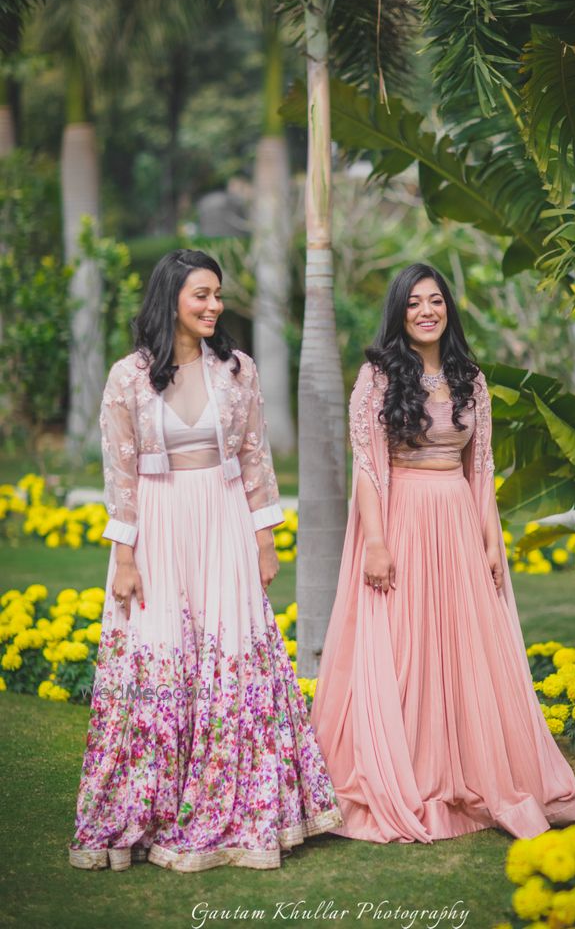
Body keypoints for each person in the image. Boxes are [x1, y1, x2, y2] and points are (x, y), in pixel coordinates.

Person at [68, 249, 341, 873]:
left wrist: (265, 539)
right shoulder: (128, 377)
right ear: (172, 300)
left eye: (217, 294)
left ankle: (235, 805)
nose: (214, 305)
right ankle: (148, 807)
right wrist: (126, 558)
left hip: (223, 522)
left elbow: (255, 460)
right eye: (201, 294)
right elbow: (122, 477)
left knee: (230, 650)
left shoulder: (237, 370)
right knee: (159, 652)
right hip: (158, 526)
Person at [310, 263, 575, 844]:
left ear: (448, 309)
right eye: (413, 303)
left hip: (459, 520)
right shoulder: (378, 378)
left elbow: (482, 466)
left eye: (435, 300)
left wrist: (492, 541)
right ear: (399, 312)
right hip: (403, 518)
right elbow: (368, 466)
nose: (426, 311)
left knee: (464, 646)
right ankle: (411, 771)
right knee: (406, 646)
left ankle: (475, 768)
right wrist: (377, 542)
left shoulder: (471, 378)